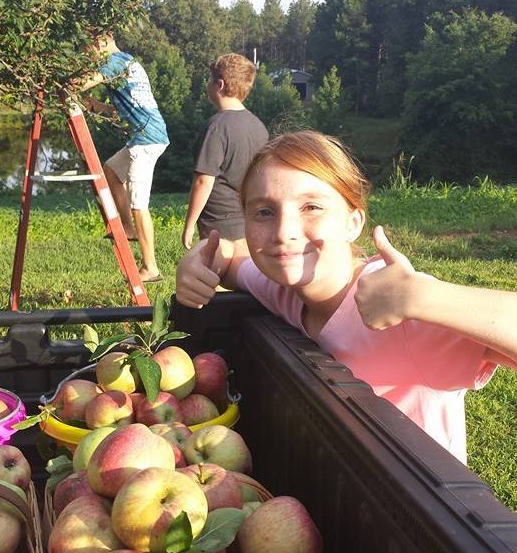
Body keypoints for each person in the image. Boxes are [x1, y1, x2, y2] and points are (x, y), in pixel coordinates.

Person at [176, 130, 517, 463]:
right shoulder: (283, 288)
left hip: (424, 509)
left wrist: (424, 297)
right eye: (264, 212)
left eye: (311, 206)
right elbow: (233, 261)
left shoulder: (404, 313)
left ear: (353, 222)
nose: (284, 233)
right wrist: (204, 254)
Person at [76, 32, 169, 283]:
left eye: (88, 50)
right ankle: (128, 228)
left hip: (147, 140)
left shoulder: (114, 62)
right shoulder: (129, 62)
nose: (89, 56)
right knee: (112, 170)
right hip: (146, 136)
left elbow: (78, 84)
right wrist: (101, 107)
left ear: (100, 41)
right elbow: (129, 106)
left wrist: (60, 79)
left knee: (140, 205)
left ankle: (150, 267)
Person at [181, 53, 268, 250]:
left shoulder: (216, 127)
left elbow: (204, 181)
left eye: (209, 80)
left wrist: (189, 224)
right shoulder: (258, 126)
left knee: (219, 276)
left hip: (219, 224)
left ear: (219, 85)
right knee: (244, 276)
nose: (207, 85)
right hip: (250, 219)